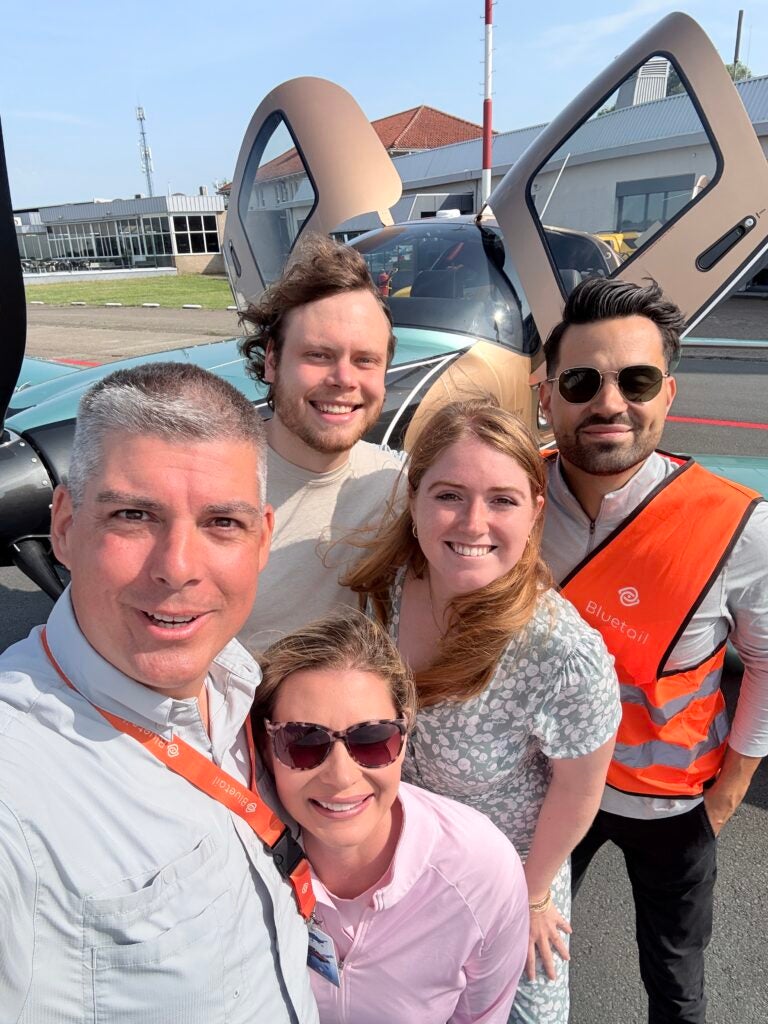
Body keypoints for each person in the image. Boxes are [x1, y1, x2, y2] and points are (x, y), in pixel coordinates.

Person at [0, 363, 317, 1023]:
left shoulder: (240, 685)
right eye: (133, 515)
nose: (177, 567)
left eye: (222, 524)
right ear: (63, 525)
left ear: (262, 538)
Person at [343, 398, 621, 1024]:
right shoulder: (383, 591)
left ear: (534, 512)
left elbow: (580, 791)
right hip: (398, 873)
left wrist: (533, 894)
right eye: (449, 495)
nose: (473, 523)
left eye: (502, 499)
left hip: (507, 889)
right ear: (413, 502)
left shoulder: (561, 652)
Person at [537, 276, 768, 1024]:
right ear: (547, 397)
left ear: (667, 394)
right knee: (515, 952)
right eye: (581, 381)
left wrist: (730, 790)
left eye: (635, 380)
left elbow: (766, 662)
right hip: (540, 789)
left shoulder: (737, 527)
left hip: (674, 802)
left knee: (674, 979)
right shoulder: (510, 498)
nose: (609, 402)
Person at [251, 607, 530, 1024]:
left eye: (371, 739)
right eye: (303, 742)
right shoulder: (237, 856)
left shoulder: (480, 868)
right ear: (265, 747)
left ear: (404, 734)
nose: (342, 776)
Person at [239, 235, 402, 651]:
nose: (344, 379)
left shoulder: (403, 488)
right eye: (318, 355)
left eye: (365, 360)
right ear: (272, 361)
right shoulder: (210, 484)